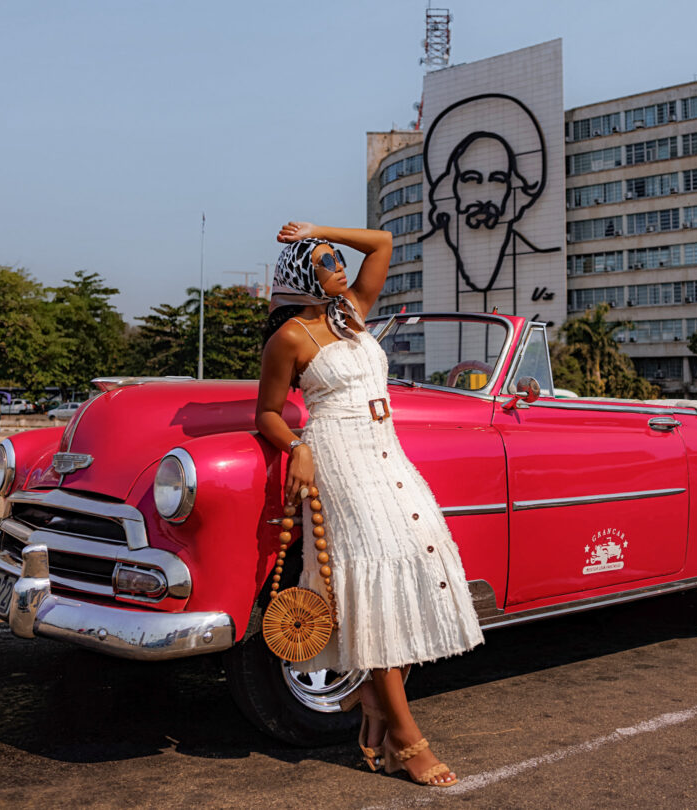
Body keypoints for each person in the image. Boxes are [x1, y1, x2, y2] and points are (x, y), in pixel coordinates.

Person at [256, 222, 483, 787]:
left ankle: (372, 700)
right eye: (326, 261)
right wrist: (297, 445)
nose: (338, 266)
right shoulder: (289, 339)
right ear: (304, 277)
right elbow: (266, 412)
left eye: (337, 258)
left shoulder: (351, 312)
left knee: (417, 563)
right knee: (370, 580)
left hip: (388, 453)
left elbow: (381, 242)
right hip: (339, 458)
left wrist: (316, 229)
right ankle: (405, 738)